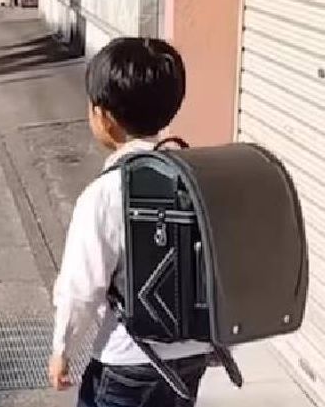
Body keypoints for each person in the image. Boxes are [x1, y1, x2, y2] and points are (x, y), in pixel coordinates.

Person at [47, 38, 212, 407]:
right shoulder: (195, 179)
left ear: (103, 116)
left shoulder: (105, 194)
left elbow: (81, 286)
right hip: (190, 355)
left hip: (127, 361)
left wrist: (62, 348)